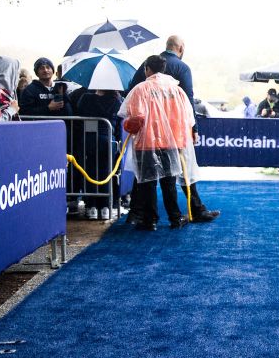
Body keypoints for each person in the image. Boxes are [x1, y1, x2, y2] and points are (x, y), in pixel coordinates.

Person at [127, 35, 219, 222]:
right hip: (173, 135)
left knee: (145, 177)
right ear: (181, 48)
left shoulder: (143, 82)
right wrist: (194, 128)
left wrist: (130, 125)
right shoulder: (181, 71)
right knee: (176, 174)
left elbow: (131, 94)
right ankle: (188, 212)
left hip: (147, 136)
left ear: (147, 70)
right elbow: (188, 101)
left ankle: (139, 215)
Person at [119, 55, 199, 231]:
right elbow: (188, 118)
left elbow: (136, 118)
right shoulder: (177, 91)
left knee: (147, 183)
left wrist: (127, 125)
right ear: (163, 69)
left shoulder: (141, 89)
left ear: (147, 69)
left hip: (147, 142)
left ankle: (150, 220)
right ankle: (175, 218)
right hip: (172, 143)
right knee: (169, 183)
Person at [74, 88, 125, 220]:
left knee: (90, 171)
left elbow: (79, 113)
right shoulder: (117, 100)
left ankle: (92, 206)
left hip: (90, 138)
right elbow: (119, 122)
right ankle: (105, 207)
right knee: (107, 172)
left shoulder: (86, 98)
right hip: (108, 139)